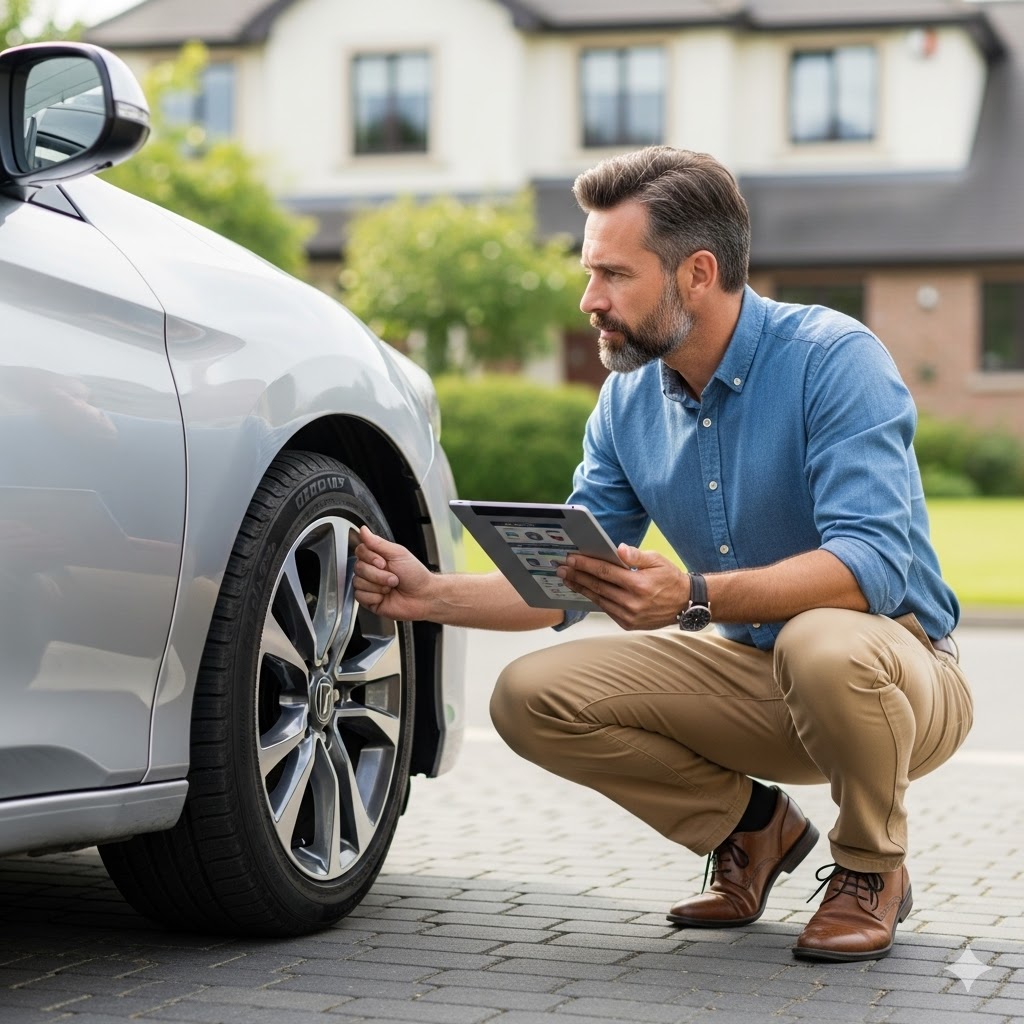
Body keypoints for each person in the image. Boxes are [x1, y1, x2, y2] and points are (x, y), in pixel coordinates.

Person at [353, 146, 974, 963]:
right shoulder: (627, 400)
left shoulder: (832, 359)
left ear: (696, 273)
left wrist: (694, 597)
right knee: (529, 696)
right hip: (759, 681)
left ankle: (868, 869)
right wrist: (427, 593)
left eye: (614, 275)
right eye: (589, 273)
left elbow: (875, 564)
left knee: (819, 640)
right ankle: (753, 831)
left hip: (897, 676)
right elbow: (565, 582)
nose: (589, 300)